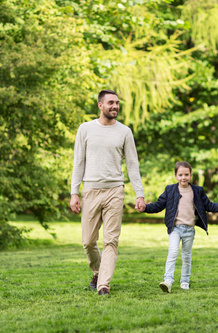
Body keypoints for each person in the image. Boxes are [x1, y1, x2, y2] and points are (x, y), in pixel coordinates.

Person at [70, 89, 146, 296]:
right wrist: (74, 193)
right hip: (91, 191)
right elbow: (78, 162)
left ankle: (104, 284)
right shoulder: (85, 129)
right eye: (111, 102)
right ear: (100, 105)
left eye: (117, 103)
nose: (115, 106)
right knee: (88, 241)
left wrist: (139, 194)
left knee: (111, 240)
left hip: (115, 191)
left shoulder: (125, 132)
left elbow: (132, 164)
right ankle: (97, 271)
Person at [139, 161, 218, 292]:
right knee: (172, 252)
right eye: (180, 174)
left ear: (191, 175)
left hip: (189, 229)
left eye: (186, 174)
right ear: (176, 176)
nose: (184, 177)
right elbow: (158, 205)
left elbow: (209, 205)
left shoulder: (197, 191)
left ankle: (184, 281)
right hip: (175, 228)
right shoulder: (170, 190)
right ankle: (168, 280)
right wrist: (145, 208)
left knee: (186, 256)